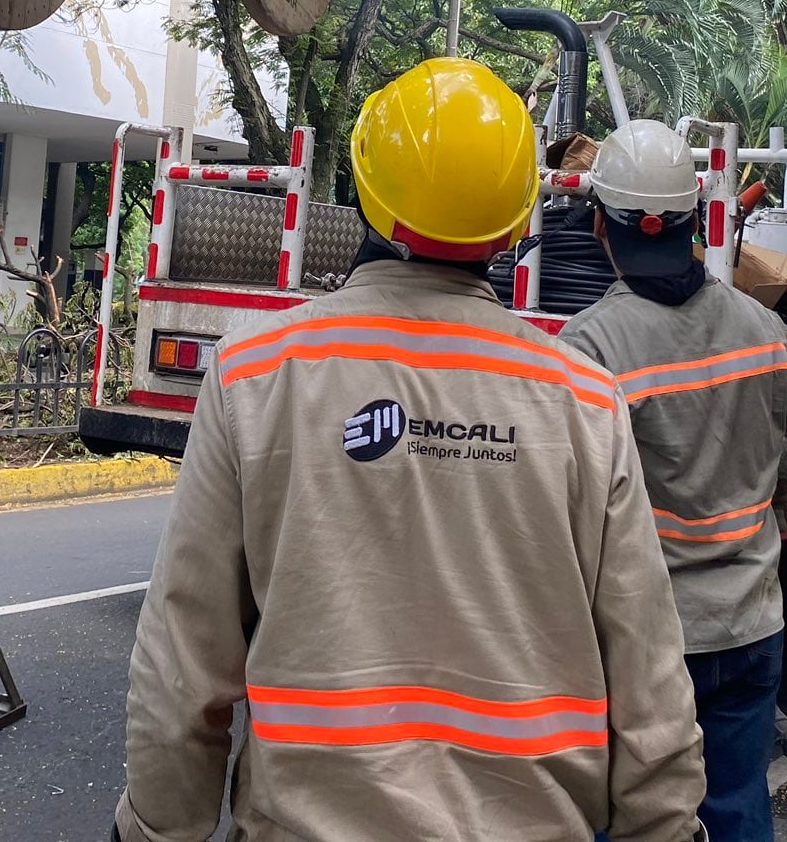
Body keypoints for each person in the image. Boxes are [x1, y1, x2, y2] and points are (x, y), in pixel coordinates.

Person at [116, 60, 707, 842]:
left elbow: (184, 665)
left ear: (364, 189)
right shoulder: (583, 401)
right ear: (513, 224)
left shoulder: (257, 373)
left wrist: (157, 832)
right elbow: (651, 686)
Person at [560, 120, 787, 842]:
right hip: (751, 626)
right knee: (735, 806)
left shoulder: (589, 349)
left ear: (600, 225)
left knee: (624, 814)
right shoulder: (760, 327)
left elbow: (566, 503)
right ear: (695, 221)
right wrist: (773, 480)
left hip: (646, 640)